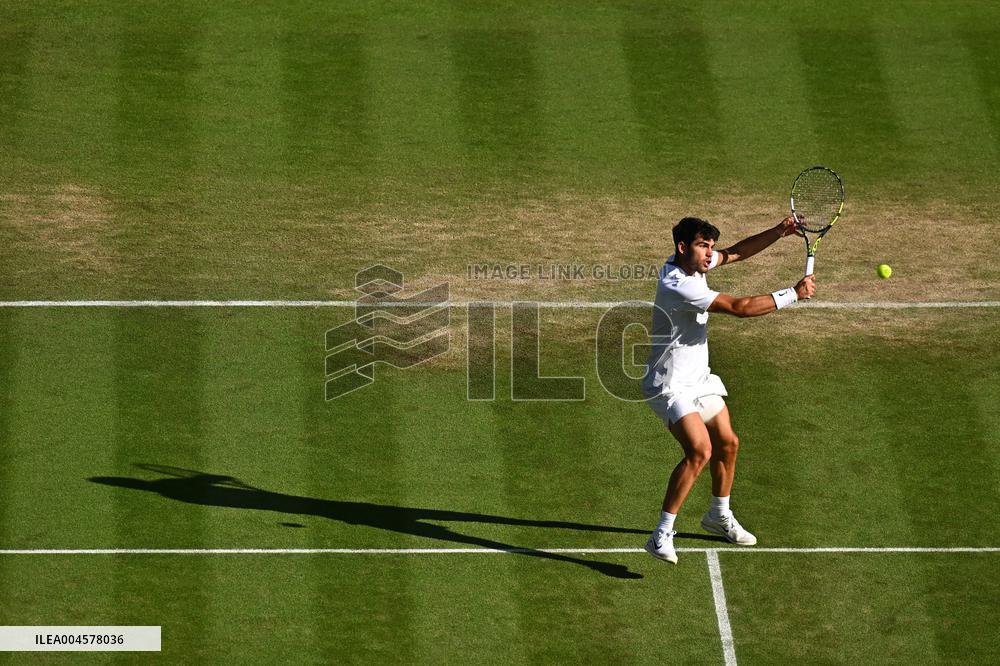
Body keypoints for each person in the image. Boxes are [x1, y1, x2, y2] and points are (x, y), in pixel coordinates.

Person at [642, 215, 815, 564]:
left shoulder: (695, 264)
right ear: (682, 248)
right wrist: (792, 294)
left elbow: (736, 253)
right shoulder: (679, 285)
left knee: (728, 443)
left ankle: (718, 515)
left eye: (709, 246)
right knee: (700, 451)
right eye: (702, 246)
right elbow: (739, 308)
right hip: (670, 386)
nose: (710, 254)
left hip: (699, 379)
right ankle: (661, 533)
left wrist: (779, 232)